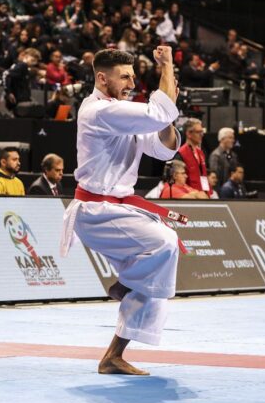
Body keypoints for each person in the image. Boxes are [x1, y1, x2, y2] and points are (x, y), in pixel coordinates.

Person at [61, 47, 182, 375]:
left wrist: (168, 113)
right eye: (124, 76)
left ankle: (113, 354)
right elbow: (157, 114)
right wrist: (167, 67)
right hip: (96, 210)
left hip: (116, 209)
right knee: (165, 244)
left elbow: (162, 149)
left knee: (155, 277)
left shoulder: (121, 111)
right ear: (102, 78)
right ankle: (125, 284)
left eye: (133, 75)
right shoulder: (98, 111)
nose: (131, 82)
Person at [177, 117, 212, 196]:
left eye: (202, 132)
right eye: (198, 132)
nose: (201, 135)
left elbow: (204, 175)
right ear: (189, 133)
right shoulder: (181, 154)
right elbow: (179, 181)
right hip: (190, 197)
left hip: (203, 195)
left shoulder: (201, 153)